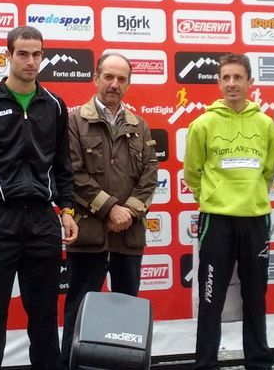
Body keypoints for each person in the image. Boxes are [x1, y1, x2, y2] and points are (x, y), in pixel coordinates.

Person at [0, 25, 78, 370]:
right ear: (7, 55)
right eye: (22, 54)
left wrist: (67, 209)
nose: (30, 61)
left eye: (37, 54)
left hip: (42, 222)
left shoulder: (54, 105)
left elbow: (63, 165)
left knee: (44, 318)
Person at [60, 53, 159, 369]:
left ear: (128, 84)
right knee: (79, 310)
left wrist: (127, 212)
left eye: (121, 79)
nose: (114, 84)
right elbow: (73, 174)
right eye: (108, 77)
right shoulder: (74, 121)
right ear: (96, 78)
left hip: (128, 237)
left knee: (127, 318)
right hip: (88, 236)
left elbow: (150, 177)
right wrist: (110, 209)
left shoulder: (140, 126)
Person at [184, 53, 274, 370]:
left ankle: (258, 360)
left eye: (238, 77)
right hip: (217, 220)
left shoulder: (266, 125)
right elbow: (192, 172)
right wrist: (212, 197)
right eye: (226, 78)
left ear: (250, 82)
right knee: (211, 297)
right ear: (218, 82)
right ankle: (205, 362)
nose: (232, 83)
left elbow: (268, 171)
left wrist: (251, 196)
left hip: (255, 220)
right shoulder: (203, 124)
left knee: (255, 296)